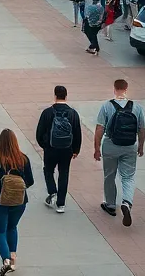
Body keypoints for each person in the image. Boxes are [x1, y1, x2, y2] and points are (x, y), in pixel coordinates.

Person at [0, 128, 35, 275]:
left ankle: (6, 260)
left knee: (0, 231)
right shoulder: (23, 159)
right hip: (19, 201)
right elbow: (30, 181)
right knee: (12, 227)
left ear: (0, 143)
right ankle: (13, 259)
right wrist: (17, 187)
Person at [94, 78, 145, 227]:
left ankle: (110, 204)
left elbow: (99, 129)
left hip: (111, 144)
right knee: (128, 177)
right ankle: (127, 202)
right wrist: (140, 146)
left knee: (109, 175)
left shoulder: (107, 106)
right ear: (126, 89)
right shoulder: (136, 107)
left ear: (114, 89)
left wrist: (97, 148)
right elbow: (141, 129)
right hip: (130, 145)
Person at [36, 85, 82, 213]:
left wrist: (44, 145)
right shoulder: (73, 114)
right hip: (67, 149)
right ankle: (61, 204)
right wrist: (75, 150)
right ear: (66, 96)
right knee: (64, 173)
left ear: (55, 96)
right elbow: (77, 132)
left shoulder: (47, 112)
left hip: (50, 148)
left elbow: (39, 133)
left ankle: (52, 192)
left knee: (48, 170)